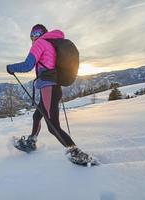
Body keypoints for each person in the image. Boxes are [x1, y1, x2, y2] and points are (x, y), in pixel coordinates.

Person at [6, 24, 94, 165]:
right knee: (37, 116)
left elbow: (27, 65)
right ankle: (31, 141)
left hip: (48, 88)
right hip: (52, 88)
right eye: (32, 34)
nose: (34, 37)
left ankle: (77, 153)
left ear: (42, 34)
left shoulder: (40, 43)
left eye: (36, 33)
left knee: (53, 126)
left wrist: (10, 68)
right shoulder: (49, 44)